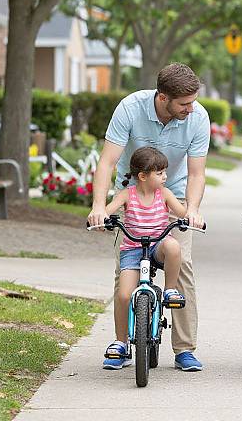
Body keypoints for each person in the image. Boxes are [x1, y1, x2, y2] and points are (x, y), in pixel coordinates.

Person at [88, 63, 210, 372]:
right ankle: (121, 344)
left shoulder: (198, 118)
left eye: (193, 101)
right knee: (124, 274)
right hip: (131, 194)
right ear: (162, 97)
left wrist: (192, 209)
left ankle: (184, 349)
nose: (191, 108)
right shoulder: (131, 108)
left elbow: (197, 173)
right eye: (184, 103)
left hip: (174, 194)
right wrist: (99, 207)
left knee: (181, 264)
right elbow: (107, 161)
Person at [102, 147, 189, 366]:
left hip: (157, 246)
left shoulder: (165, 194)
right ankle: (121, 343)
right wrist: (101, 217)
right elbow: (108, 209)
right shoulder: (126, 195)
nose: (165, 177)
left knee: (173, 246)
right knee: (123, 295)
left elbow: (182, 213)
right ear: (142, 176)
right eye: (159, 173)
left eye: (164, 172)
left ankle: (169, 290)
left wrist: (192, 216)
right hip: (133, 249)